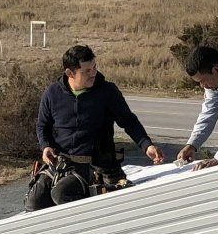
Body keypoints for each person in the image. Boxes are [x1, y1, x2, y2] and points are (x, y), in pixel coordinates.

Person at [30, 44, 162, 208]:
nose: (93, 73)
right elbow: (42, 126)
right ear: (70, 73)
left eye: (94, 67)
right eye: (87, 71)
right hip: (62, 164)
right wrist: (46, 147)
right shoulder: (52, 93)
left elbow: (129, 121)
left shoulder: (107, 91)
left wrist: (146, 145)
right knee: (34, 202)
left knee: (62, 194)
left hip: (97, 166)